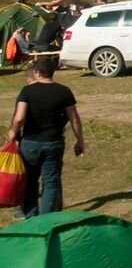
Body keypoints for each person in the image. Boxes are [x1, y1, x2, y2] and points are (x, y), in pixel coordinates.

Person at [5, 58, 84, 217]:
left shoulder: (27, 91)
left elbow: (19, 117)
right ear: (52, 72)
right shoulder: (64, 91)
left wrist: (14, 132)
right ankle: (48, 219)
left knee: (30, 181)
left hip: (30, 143)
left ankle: (31, 217)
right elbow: (74, 118)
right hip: (53, 142)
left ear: (37, 72)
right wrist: (80, 141)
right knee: (51, 182)